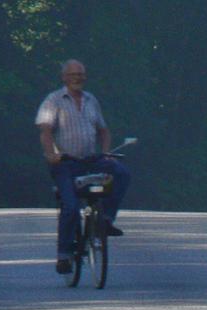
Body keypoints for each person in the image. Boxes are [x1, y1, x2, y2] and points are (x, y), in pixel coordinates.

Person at [35, 59, 131, 274]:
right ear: (64, 78)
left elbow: (103, 130)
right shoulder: (54, 100)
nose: (78, 78)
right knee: (70, 206)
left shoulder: (91, 100)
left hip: (91, 159)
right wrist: (51, 154)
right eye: (73, 74)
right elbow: (46, 129)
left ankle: (105, 219)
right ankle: (64, 255)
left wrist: (108, 153)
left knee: (121, 173)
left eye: (81, 74)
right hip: (66, 163)